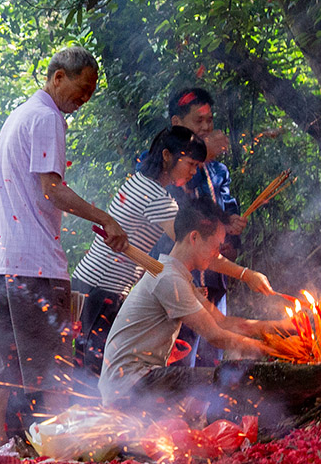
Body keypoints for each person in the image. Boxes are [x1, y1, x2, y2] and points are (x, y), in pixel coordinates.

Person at [0, 46, 129, 451]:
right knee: (55, 364)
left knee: (4, 352)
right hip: (34, 263)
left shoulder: (20, 115)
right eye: (81, 90)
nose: (83, 100)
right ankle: (56, 448)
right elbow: (52, 189)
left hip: (0, 258)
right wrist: (105, 217)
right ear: (57, 77)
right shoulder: (47, 117)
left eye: (89, 94)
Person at [72, 126, 274, 375]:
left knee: (89, 369)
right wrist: (245, 274)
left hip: (94, 285)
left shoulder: (141, 183)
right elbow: (196, 246)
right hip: (102, 289)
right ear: (167, 156)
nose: (193, 172)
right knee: (93, 372)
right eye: (190, 163)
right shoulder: (155, 196)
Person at [98, 198, 287, 408]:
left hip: (143, 379)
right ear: (195, 237)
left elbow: (221, 323)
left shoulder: (177, 275)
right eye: (217, 245)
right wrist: (275, 350)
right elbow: (216, 336)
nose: (219, 254)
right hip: (130, 384)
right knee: (225, 382)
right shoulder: (168, 278)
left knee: (217, 384)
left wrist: (282, 328)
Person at [154, 87, 246, 367]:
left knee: (213, 359)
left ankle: (207, 411)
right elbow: (183, 215)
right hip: (183, 281)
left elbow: (223, 208)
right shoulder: (165, 162)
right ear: (176, 123)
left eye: (210, 120)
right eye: (198, 120)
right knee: (181, 361)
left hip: (215, 278)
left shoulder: (217, 170)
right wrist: (203, 155)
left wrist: (231, 226)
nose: (207, 127)